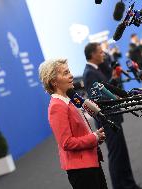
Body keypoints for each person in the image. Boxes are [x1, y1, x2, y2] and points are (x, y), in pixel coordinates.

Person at [38, 58, 108, 189]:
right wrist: (94, 137)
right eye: (65, 73)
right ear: (54, 82)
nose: (71, 75)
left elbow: (79, 132)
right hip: (82, 170)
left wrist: (95, 137)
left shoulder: (69, 100)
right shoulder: (57, 106)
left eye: (69, 71)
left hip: (90, 163)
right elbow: (66, 142)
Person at [83, 42, 142, 189]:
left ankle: (129, 185)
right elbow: (97, 100)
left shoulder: (96, 70)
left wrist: (114, 79)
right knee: (116, 155)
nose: (103, 54)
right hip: (107, 120)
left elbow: (104, 89)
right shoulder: (89, 73)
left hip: (113, 118)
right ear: (92, 55)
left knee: (122, 153)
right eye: (100, 52)